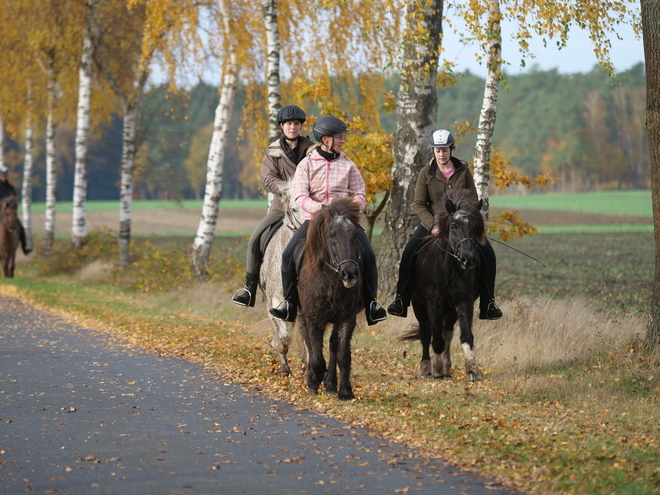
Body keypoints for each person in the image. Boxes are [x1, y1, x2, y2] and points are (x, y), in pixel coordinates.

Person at [269, 115, 387, 326]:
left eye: (342, 137)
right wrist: (321, 210)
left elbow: (360, 194)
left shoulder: (349, 165)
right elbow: (299, 196)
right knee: (288, 255)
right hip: (316, 222)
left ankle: (372, 305)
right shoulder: (306, 164)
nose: (343, 141)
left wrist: (350, 208)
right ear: (325, 140)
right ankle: (288, 304)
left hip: (344, 222)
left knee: (369, 254)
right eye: (339, 137)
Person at [386, 129, 502, 320]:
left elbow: (472, 198)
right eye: (438, 150)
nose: (442, 154)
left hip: (460, 225)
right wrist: (433, 224)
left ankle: (488, 303)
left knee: (489, 254)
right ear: (433, 150)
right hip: (433, 223)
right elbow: (419, 203)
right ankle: (401, 300)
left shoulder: (463, 170)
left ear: (451, 149)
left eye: (445, 150)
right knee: (409, 253)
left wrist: (466, 218)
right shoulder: (426, 173)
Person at [232, 105, 315, 306]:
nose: (293, 127)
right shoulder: (273, 151)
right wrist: (288, 189)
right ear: (281, 126)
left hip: (308, 207)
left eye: (296, 124)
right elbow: (267, 178)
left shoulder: (313, 150)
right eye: (289, 124)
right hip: (281, 207)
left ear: (301, 126)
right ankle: (249, 288)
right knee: (255, 240)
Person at [0, 163, 32, 255]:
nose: (4, 177)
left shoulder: (11, 188)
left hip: (10, 214)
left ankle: (25, 247)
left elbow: (14, 200)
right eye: (2, 175)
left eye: (5, 175)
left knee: (20, 227)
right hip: (0, 213)